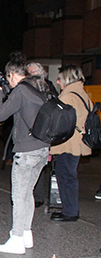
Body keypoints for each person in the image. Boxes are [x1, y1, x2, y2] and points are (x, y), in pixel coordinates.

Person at [0, 52, 50, 254]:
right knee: (28, 193)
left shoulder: (21, 90)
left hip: (26, 150)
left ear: (11, 75)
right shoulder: (41, 87)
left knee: (18, 196)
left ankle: (16, 239)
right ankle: (26, 234)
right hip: (42, 148)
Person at [49, 65, 93, 222]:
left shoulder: (68, 96)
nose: (58, 81)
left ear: (67, 78)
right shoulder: (81, 93)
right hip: (76, 142)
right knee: (68, 175)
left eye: (60, 78)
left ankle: (70, 211)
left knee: (66, 176)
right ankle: (70, 209)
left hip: (69, 144)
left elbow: (57, 119)